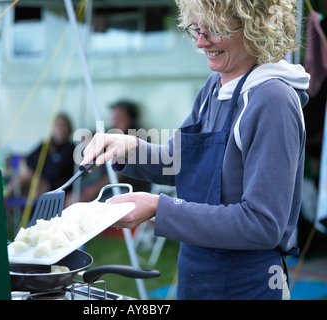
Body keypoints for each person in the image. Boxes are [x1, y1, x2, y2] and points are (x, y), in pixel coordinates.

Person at [81, 0, 310, 300]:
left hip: (246, 287)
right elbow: (181, 161)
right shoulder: (213, 88)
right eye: (196, 29)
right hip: (199, 279)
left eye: (213, 30)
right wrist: (130, 147)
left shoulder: (272, 101)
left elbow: (263, 224)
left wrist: (157, 208)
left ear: (255, 27)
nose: (201, 42)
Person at [66, 101, 151, 206]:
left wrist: (93, 190)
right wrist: (89, 140)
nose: (115, 119)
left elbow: (117, 174)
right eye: (114, 115)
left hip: (127, 189)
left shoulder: (137, 137)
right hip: (107, 187)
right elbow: (87, 137)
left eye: (120, 116)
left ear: (129, 117)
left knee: (85, 202)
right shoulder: (110, 132)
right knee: (72, 198)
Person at [6, 113, 75, 197]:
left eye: (63, 126)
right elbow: (28, 160)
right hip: (35, 182)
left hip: (54, 187)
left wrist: (35, 171)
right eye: (57, 125)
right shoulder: (45, 145)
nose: (59, 129)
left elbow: (55, 172)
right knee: (24, 178)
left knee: (27, 175)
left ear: (68, 128)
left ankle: (3, 196)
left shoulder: (70, 148)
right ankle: (5, 199)